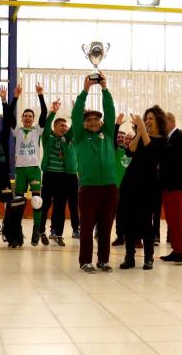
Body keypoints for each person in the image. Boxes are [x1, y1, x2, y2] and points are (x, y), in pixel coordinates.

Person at [72, 73, 117, 273]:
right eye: (89, 120)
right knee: (88, 226)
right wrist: (85, 90)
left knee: (106, 226)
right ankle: (85, 261)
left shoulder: (107, 133)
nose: (93, 122)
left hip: (109, 187)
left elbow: (110, 111)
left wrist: (105, 89)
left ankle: (103, 260)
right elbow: (75, 114)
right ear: (83, 123)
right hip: (88, 187)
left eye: (96, 119)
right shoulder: (80, 137)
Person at [119, 106, 168, 270]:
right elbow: (130, 152)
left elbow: (152, 152)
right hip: (130, 182)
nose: (147, 121)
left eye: (151, 118)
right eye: (146, 118)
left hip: (148, 185)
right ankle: (129, 257)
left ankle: (149, 257)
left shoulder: (162, 140)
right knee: (128, 221)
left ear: (159, 121)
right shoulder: (142, 135)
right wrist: (139, 132)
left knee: (146, 222)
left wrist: (143, 131)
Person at [2, 83, 49, 245]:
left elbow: (45, 113)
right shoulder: (17, 130)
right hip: (21, 170)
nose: (28, 118)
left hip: (34, 169)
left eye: (30, 116)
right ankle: (16, 233)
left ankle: (37, 230)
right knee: (17, 203)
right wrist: (14, 97)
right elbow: (8, 116)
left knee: (37, 200)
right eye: (25, 116)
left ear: (33, 119)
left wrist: (40, 95)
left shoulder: (38, 130)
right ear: (22, 118)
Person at [40, 101, 77, 247]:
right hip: (49, 175)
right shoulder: (47, 138)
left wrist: (76, 113)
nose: (64, 128)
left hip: (63, 177)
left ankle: (58, 233)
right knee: (45, 204)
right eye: (61, 125)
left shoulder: (67, 140)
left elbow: (74, 128)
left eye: (65, 126)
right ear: (54, 127)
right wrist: (53, 112)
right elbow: (46, 125)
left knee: (60, 206)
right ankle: (40, 230)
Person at [159, 112, 182, 263]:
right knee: (171, 219)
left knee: (177, 218)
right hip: (167, 185)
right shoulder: (166, 139)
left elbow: (177, 159)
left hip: (179, 185)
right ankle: (176, 248)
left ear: (172, 122)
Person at [111, 114, 134, 246]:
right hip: (117, 188)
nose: (126, 140)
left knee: (130, 215)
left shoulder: (135, 153)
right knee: (118, 215)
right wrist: (117, 125)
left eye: (129, 139)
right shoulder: (117, 150)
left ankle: (133, 237)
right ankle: (120, 237)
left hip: (131, 189)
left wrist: (137, 127)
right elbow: (114, 139)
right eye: (125, 138)